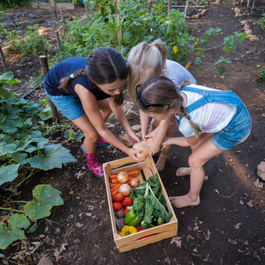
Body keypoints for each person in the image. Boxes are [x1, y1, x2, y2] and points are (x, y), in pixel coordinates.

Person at [136, 76, 252, 208]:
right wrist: (154, 135)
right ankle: (195, 170)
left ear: (169, 110)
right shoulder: (180, 94)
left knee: (194, 160)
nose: (154, 118)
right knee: (197, 147)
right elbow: (167, 119)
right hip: (229, 109)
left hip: (235, 127)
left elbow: (189, 141)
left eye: (154, 116)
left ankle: (193, 197)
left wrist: (168, 141)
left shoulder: (187, 123)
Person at [44, 47, 143, 178]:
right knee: (91, 134)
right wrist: (127, 150)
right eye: (112, 90)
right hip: (59, 91)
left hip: (77, 85)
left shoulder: (112, 76)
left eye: (121, 87)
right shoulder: (86, 91)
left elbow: (116, 107)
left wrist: (130, 132)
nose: (118, 92)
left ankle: (93, 135)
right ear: (97, 83)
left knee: (106, 109)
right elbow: (103, 130)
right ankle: (91, 161)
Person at [127, 40, 196, 171]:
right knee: (154, 125)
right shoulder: (146, 74)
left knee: (167, 128)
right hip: (163, 97)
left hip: (181, 97)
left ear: (160, 74)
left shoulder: (170, 81)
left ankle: (163, 157)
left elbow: (167, 120)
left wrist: (157, 141)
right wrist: (144, 132)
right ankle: (153, 146)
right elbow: (143, 105)